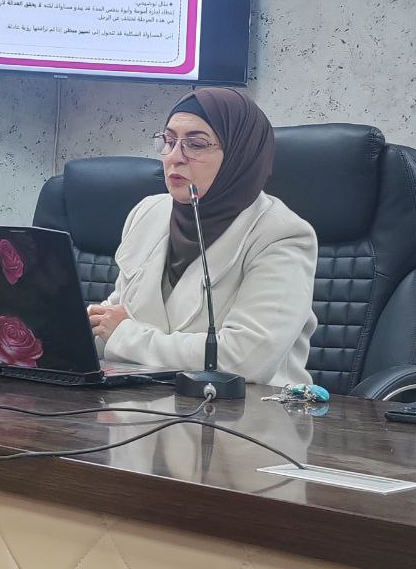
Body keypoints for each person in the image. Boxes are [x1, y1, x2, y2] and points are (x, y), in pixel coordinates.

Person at [87, 87, 318, 386]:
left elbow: (244, 360)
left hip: (247, 409)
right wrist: (65, 332)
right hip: (148, 402)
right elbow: (115, 316)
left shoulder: (281, 235)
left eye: (195, 145)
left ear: (239, 155)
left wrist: (125, 336)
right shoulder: (149, 212)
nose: (174, 157)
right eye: (168, 141)